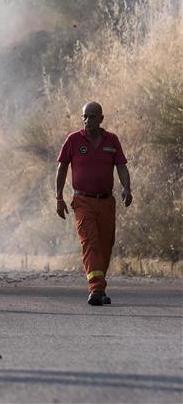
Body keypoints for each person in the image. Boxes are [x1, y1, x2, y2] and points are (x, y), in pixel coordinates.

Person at [56, 101, 131, 306]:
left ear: (101, 119)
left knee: (106, 245)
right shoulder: (73, 140)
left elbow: (122, 167)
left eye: (92, 117)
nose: (87, 120)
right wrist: (59, 198)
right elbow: (62, 169)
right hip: (82, 201)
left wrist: (126, 188)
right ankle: (95, 289)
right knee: (90, 242)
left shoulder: (112, 140)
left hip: (106, 202)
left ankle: (100, 287)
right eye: (85, 117)